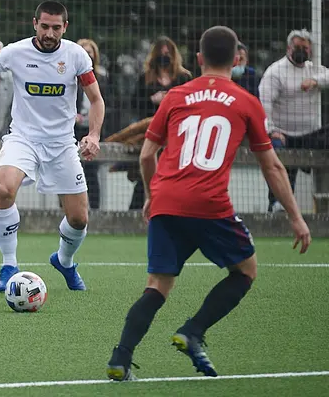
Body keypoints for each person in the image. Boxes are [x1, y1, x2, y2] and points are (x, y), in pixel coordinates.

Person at [106, 26, 312, 381]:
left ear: (199, 59)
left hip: (167, 201)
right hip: (209, 204)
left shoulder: (174, 96)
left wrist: (154, 195)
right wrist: (296, 217)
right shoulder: (247, 102)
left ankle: (120, 359)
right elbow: (272, 165)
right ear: (236, 60)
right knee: (246, 270)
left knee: (157, 285)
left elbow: (145, 156)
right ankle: (193, 330)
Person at [0, 1, 105, 293]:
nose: (50, 33)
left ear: (65, 28)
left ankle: (64, 261)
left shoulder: (76, 56)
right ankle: (9, 264)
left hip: (62, 144)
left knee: (79, 218)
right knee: (4, 190)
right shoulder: (15, 52)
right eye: (44, 26)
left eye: (56, 27)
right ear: (35, 24)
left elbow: (95, 99)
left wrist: (93, 135)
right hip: (23, 139)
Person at [259, 29, 329, 212]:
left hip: (310, 134)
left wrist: (315, 80)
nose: (301, 51)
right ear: (289, 47)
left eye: (305, 48)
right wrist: (272, 130)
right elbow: (264, 106)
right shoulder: (275, 71)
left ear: (310, 50)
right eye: (297, 47)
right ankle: (277, 205)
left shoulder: (313, 68)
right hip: (283, 134)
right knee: (279, 159)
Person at [126, 36, 193, 210]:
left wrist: (169, 100)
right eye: (161, 53)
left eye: (167, 53)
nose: (164, 56)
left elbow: (190, 104)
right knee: (146, 171)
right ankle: (135, 212)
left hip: (176, 130)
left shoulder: (183, 77)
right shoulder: (146, 77)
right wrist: (152, 100)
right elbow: (135, 103)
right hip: (150, 127)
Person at [76, 38, 109, 209]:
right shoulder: (70, 76)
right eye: (84, 51)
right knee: (70, 171)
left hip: (93, 128)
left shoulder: (102, 77)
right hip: (73, 128)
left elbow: (105, 102)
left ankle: (95, 210)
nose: (87, 55)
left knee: (91, 171)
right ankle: (68, 210)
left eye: (90, 52)